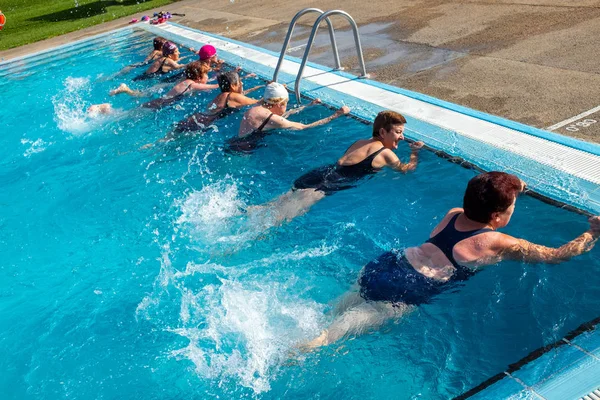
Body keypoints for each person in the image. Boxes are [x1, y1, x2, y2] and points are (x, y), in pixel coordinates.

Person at [305, 171, 600, 348]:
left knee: (337, 310)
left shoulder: (454, 213)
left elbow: (483, 194)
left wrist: (514, 186)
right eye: (512, 207)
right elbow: (556, 256)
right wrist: (592, 234)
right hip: (409, 288)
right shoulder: (499, 242)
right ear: (497, 216)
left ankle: (310, 330)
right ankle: (302, 348)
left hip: (389, 263)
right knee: (330, 337)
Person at [252, 110, 423, 223]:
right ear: (383, 132)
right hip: (322, 187)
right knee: (280, 219)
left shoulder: (360, 142)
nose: (402, 137)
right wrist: (414, 152)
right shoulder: (386, 154)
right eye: (399, 132)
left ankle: (246, 213)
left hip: (317, 173)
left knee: (274, 204)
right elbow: (406, 170)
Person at [227, 82, 350, 153]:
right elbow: (304, 127)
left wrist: (308, 106)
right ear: (279, 104)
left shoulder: (258, 107)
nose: (286, 107)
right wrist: (336, 115)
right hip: (242, 153)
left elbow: (280, 116)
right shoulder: (273, 119)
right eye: (285, 104)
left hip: (232, 144)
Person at [89, 62, 218, 115]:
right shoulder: (191, 84)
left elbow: (205, 84)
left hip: (158, 103)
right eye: (206, 74)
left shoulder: (187, 82)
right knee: (127, 115)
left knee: (129, 113)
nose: (208, 77)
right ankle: (104, 108)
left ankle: (106, 109)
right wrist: (221, 83)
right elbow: (210, 86)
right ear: (199, 76)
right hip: (157, 104)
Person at [172, 71, 263, 134]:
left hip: (193, 120)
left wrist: (258, 87)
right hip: (199, 125)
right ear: (232, 86)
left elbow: (241, 96)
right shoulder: (232, 96)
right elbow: (258, 102)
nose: (242, 84)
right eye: (239, 82)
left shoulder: (222, 96)